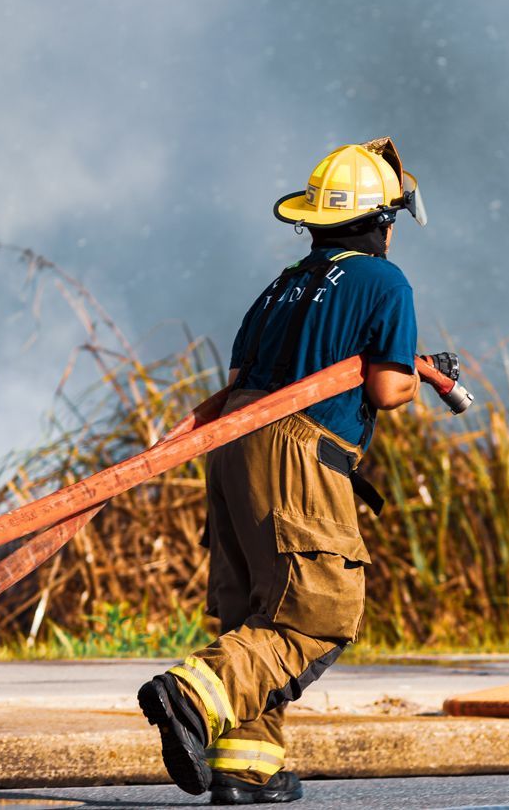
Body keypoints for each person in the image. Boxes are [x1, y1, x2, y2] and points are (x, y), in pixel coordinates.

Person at [137, 138, 458, 805]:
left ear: (312, 221)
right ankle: (192, 693)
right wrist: (423, 373)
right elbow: (390, 389)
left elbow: (233, 382)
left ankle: (246, 765)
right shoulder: (383, 281)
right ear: (381, 223)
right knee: (316, 614)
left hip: (234, 444)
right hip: (298, 451)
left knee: (257, 611)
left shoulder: (279, 287)